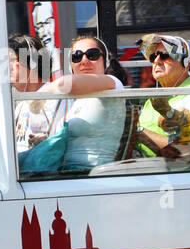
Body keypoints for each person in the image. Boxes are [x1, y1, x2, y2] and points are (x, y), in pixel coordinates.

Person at [22, 35, 125, 173]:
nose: (84, 61)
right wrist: (47, 140)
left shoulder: (113, 83)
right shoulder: (76, 99)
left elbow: (68, 84)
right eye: (76, 56)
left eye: (92, 55)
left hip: (94, 174)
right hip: (68, 173)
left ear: (105, 61)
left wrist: (41, 95)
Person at [135, 34, 190, 157]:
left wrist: (137, 132)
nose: (156, 61)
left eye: (165, 55)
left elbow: (185, 151)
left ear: (186, 63)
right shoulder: (156, 95)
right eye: (153, 56)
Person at [10, 33, 62, 153]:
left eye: (10, 60)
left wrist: (47, 141)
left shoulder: (56, 98)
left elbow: (64, 140)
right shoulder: (21, 104)